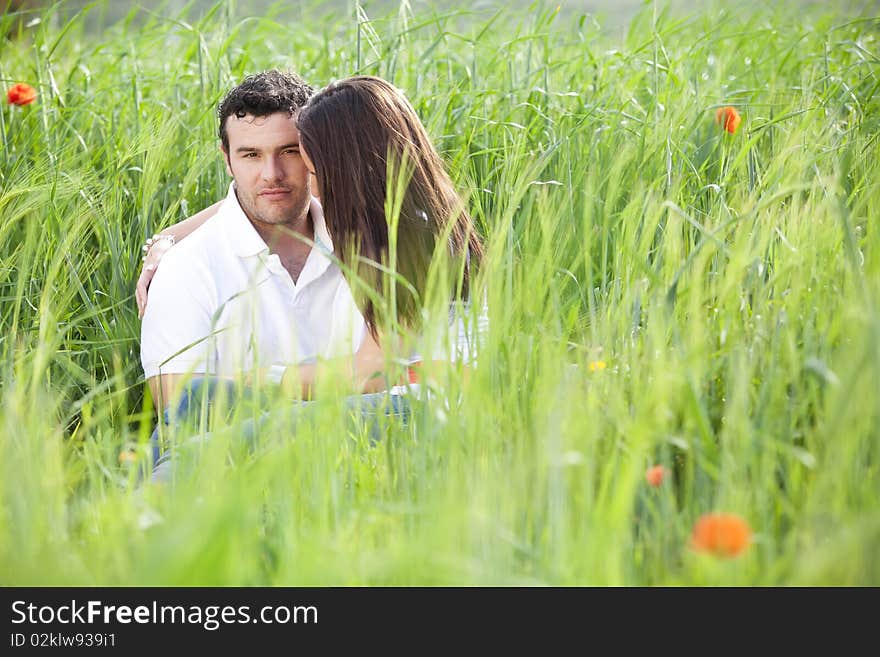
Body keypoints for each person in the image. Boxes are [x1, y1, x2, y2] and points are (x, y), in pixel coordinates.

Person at [140, 75, 486, 480]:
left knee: (200, 450)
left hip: (417, 407)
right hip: (372, 399)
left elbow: (371, 371)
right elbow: (256, 197)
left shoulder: (406, 234)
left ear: (347, 167)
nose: (288, 174)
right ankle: (147, 507)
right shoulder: (390, 219)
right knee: (193, 403)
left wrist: (264, 380)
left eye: (300, 157)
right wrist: (168, 237)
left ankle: (142, 511)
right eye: (251, 155)